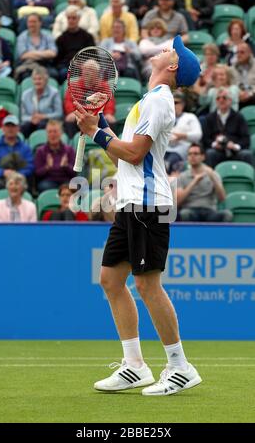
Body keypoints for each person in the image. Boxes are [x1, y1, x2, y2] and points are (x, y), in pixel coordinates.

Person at [73, 35, 203, 396]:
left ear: (173, 66)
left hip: (149, 205)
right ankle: (135, 366)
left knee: (147, 284)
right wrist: (98, 126)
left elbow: (132, 154)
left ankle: (180, 366)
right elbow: (123, 155)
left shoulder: (160, 102)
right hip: (130, 204)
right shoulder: (147, 102)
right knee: (110, 280)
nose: (164, 48)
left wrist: (96, 133)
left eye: (170, 49)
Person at [177, 143, 233, 222]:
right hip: (191, 210)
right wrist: (194, 181)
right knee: (184, 213)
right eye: (190, 154)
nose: (192, 156)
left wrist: (213, 178)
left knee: (227, 214)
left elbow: (222, 198)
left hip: (210, 211)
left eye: (196, 154)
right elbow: (178, 201)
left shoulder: (213, 174)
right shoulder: (182, 176)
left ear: (203, 157)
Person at [202, 87, 253, 167]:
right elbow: (205, 139)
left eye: (224, 98)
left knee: (247, 154)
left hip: (235, 151)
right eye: (218, 98)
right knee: (209, 153)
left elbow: (246, 138)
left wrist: (235, 146)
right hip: (217, 151)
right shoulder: (209, 118)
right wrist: (215, 144)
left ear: (230, 100)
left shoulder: (238, 117)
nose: (221, 100)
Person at [0, 115, 34, 193]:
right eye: (8, 126)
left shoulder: (25, 148)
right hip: (0, 179)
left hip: (20, 178)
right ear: (3, 128)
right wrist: (3, 172)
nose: (10, 129)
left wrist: (17, 174)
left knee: (25, 184)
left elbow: (30, 167)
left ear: (18, 128)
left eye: (13, 126)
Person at [164, 90, 202, 174]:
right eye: (171, 102)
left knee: (171, 162)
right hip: (165, 147)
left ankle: (173, 186)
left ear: (182, 104)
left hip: (183, 148)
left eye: (176, 102)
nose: (173, 105)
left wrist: (182, 136)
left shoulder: (190, 117)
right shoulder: (165, 118)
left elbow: (198, 135)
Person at [20, 66, 63, 138]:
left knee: (42, 125)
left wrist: (43, 116)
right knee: (24, 127)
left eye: (40, 79)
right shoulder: (26, 94)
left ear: (45, 80)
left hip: (48, 122)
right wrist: (32, 119)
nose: (37, 81)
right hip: (30, 123)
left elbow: (59, 114)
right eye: (34, 79)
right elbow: (23, 117)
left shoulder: (54, 93)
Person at [55, 5, 95, 83]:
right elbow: (58, 60)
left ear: (79, 19)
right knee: (63, 72)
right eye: (69, 18)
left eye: (73, 18)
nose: (71, 20)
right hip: (67, 67)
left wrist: (83, 64)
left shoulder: (87, 37)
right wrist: (70, 63)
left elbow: (93, 56)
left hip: (85, 66)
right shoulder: (61, 39)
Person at [34, 119, 75, 192]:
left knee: (73, 186)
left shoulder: (69, 150)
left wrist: (66, 166)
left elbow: (74, 172)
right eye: (50, 132)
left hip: (66, 180)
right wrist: (47, 167)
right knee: (43, 186)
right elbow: (37, 173)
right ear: (46, 134)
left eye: (55, 131)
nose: (52, 134)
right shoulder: (40, 151)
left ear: (61, 133)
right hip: (48, 181)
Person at [0, 12, 12, 77]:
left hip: (0, 68)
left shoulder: (2, 41)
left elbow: (8, 59)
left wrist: (1, 66)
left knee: (8, 70)